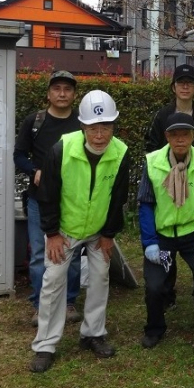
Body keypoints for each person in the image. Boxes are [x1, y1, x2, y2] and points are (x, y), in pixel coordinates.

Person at [30, 90, 130, 373]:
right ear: (83, 127)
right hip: (65, 229)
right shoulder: (62, 149)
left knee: (100, 279)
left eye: (106, 127)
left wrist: (109, 234)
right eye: (93, 128)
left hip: (99, 231)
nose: (100, 135)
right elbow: (47, 193)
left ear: (113, 127)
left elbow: (118, 197)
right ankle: (45, 345)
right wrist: (52, 233)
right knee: (53, 282)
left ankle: (93, 333)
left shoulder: (121, 153)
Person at [138, 113, 194, 349]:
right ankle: (155, 328)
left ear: (192, 137)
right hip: (162, 238)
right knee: (155, 286)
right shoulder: (153, 161)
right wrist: (150, 242)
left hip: (193, 236)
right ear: (167, 137)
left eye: (185, 134)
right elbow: (145, 204)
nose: (180, 140)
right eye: (174, 135)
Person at [144, 64, 194, 311]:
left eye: (190, 82)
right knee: (167, 240)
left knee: (193, 240)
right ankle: (167, 294)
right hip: (165, 179)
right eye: (181, 82)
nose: (185, 86)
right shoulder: (162, 115)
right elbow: (151, 148)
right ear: (173, 86)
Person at [14, 70, 82, 327]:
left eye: (67, 89)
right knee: (39, 252)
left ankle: (69, 301)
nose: (62, 93)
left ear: (74, 95)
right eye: (57, 89)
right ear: (48, 94)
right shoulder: (35, 121)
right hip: (39, 199)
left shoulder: (81, 122)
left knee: (73, 252)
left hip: (72, 199)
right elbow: (19, 155)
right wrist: (35, 170)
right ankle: (39, 304)